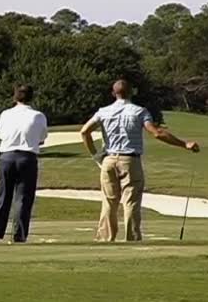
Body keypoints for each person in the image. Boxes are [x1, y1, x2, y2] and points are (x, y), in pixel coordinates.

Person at [80, 79, 200, 242]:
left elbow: (84, 132)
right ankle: (132, 238)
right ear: (131, 92)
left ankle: (105, 239)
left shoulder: (103, 111)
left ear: (113, 93)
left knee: (109, 202)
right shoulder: (139, 112)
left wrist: (95, 156)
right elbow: (157, 133)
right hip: (130, 160)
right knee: (131, 202)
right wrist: (184, 144)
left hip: (108, 159)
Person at [0, 85, 48, 243]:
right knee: (23, 198)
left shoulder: (5, 114)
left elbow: (1, 135)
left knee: (2, 197)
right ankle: (19, 235)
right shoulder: (38, 116)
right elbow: (42, 138)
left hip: (7, 156)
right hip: (27, 157)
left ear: (15, 97)